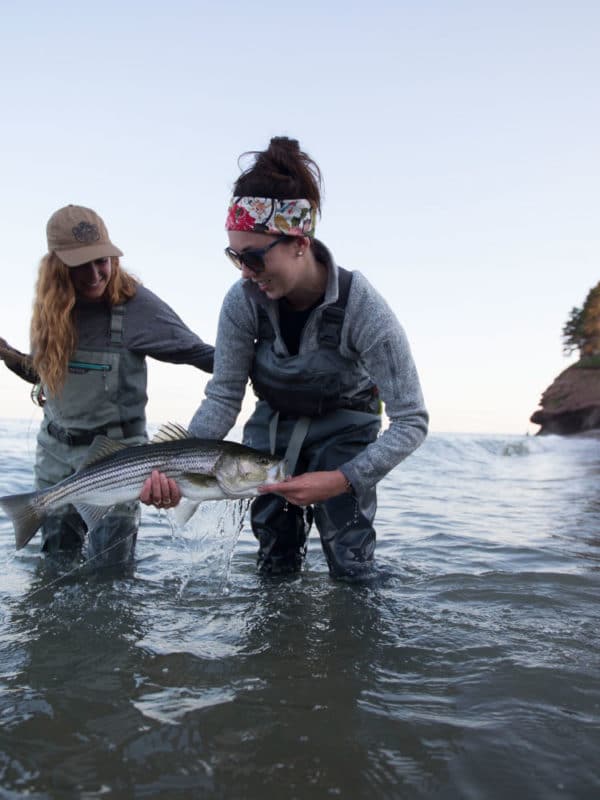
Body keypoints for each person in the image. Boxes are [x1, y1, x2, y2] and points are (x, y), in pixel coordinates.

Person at [142, 137, 428, 579]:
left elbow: (412, 421)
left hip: (346, 437)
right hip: (270, 436)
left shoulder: (364, 310)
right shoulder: (242, 302)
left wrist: (344, 478)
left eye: (254, 257)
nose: (245, 273)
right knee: (274, 561)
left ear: (299, 241)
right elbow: (223, 397)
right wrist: (180, 468)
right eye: (235, 257)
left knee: (351, 563)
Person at [1, 204, 214, 566]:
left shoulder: (138, 306)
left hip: (118, 460)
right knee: (55, 565)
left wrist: (271, 371)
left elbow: (205, 356)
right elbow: (45, 375)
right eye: (80, 263)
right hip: (54, 452)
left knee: (110, 576)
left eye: (102, 259)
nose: (96, 273)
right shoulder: (50, 310)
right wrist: (9, 356)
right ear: (57, 266)